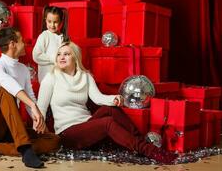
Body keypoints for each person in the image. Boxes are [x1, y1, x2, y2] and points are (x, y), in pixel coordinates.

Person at [36, 41, 178, 164]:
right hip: (67, 132)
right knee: (107, 122)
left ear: (75, 57)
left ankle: (140, 141)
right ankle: (149, 151)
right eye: (59, 54)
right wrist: (39, 130)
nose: (61, 57)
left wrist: (114, 99)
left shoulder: (85, 77)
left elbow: (98, 98)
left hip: (86, 123)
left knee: (111, 110)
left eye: (66, 54)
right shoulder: (51, 77)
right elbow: (40, 108)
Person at [0, 27, 60, 168]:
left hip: (9, 130)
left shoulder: (23, 69)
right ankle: (26, 150)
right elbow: (11, 85)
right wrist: (32, 106)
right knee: (6, 91)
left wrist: (37, 118)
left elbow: (30, 97)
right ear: (12, 44)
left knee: (54, 140)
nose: (25, 43)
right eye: (22, 41)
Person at [32, 5, 70, 83]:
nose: (52, 25)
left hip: (61, 79)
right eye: (49, 21)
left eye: (55, 22)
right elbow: (36, 55)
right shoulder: (44, 36)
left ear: (61, 22)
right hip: (47, 79)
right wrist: (54, 58)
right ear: (45, 20)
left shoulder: (64, 38)